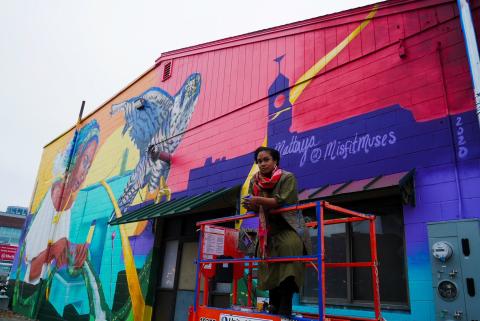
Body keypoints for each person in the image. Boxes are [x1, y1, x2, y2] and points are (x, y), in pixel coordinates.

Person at [242, 146, 311, 317]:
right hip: (267, 233)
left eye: (266, 159)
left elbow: (281, 201)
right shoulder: (254, 181)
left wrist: (256, 201)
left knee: (288, 267)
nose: (262, 163)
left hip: (289, 228)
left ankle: (285, 307)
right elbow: (253, 207)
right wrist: (250, 205)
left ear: (275, 161)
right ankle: (273, 306)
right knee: (268, 269)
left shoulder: (287, 177)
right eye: (259, 161)